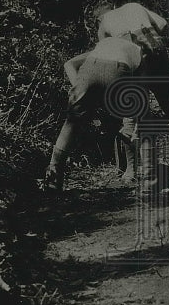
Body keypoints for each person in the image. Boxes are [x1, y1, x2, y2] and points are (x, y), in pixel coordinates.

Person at [93, 0, 169, 179]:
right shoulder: (133, 6)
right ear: (113, 8)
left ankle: (132, 170)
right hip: (155, 47)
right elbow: (162, 24)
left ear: (98, 19)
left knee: (131, 113)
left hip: (132, 54)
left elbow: (108, 51)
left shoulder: (103, 24)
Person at [44, 35, 143, 191]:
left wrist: (80, 88)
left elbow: (69, 64)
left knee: (71, 123)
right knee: (129, 118)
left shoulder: (102, 46)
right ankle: (130, 172)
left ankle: (53, 178)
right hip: (118, 70)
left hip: (89, 70)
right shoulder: (137, 50)